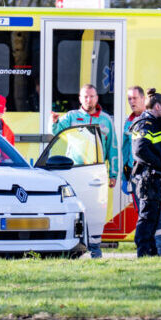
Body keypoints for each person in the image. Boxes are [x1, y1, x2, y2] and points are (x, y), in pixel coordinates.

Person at [51, 84, 117, 258]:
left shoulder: (106, 120)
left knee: (95, 211)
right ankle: (74, 247)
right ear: (80, 99)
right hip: (74, 172)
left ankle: (95, 249)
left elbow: (113, 148)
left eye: (92, 96)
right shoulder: (72, 116)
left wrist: (113, 174)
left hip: (96, 173)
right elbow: (56, 132)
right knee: (74, 210)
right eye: (85, 97)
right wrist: (54, 121)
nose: (89, 100)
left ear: (97, 97)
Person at [123, 85, 161, 254]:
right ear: (157, 106)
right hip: (147, 178)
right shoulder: (143, 124)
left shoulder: (159, 124)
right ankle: (143, 251)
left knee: (154, 218)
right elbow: (139, 151)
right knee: (147, 217)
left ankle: (153, 252)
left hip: (158, 179)